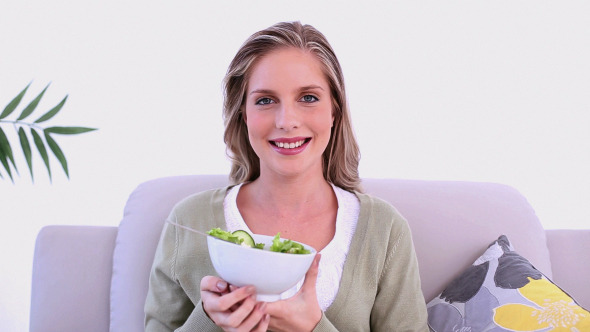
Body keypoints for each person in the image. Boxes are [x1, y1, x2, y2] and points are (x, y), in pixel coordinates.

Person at [145, 21, 428, 331]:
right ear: (244, 114)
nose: (287, 121)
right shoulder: (188, 221)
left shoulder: (384, 231)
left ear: (335, 109)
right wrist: (208, 320)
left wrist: (314, 327)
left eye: (308, 97)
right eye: (265, 100)